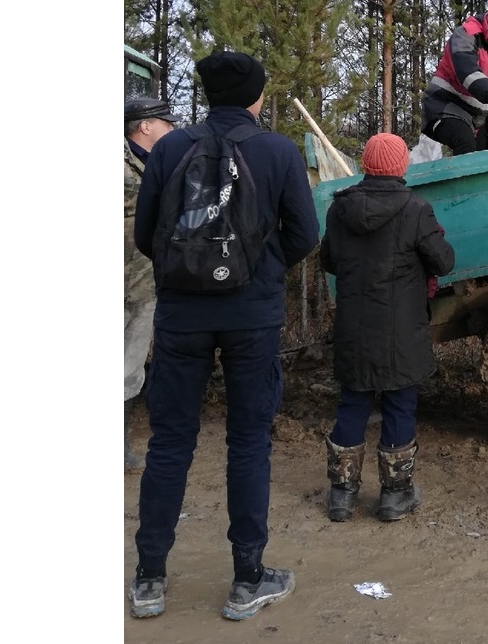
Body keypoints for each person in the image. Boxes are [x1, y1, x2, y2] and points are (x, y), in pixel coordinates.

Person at [129, 51, 320, 621]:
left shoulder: (167, 148)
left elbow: (147, 236)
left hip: (182, 316)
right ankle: (246, 579)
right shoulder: (278, 151)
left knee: (169, 444)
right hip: (251, 316)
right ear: (256, 97)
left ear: (208, 94)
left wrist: (188, 276)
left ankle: (149, 580)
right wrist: (257, 270)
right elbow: (305, 235)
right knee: (248, 441)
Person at [318, 133, 456, 524]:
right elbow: (444, 262)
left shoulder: (339, 209)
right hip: (401, 330)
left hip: (354, 327)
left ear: (365, 164)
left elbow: (329, 259)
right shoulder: (416, 209)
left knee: (352, 403)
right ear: (400, 167)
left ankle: (341, 496)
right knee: (399, 404)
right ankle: (395, 497)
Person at [124, 97, 181, 471]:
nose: (172, 130)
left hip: (142, 286)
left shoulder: (155, 165)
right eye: (165, 123)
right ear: (145, 126)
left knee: (129, 366)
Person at [421, 0, 488, 155]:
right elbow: (467, 71)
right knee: (465, 143)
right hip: (445, 105)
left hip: (479, 116)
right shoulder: (466, 34)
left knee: (482, 157)